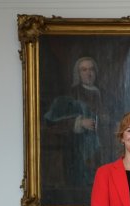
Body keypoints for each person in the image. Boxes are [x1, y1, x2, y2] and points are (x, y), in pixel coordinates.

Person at [44, 57, 116, 190]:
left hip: (104, 152)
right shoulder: (70, 95)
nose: (89, 73)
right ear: (78, 74)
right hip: (78, 155)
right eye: (84, 70)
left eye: (91, 69)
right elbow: (51, 123)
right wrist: (79, 123)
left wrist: (108, 121)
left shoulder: (105, 94)